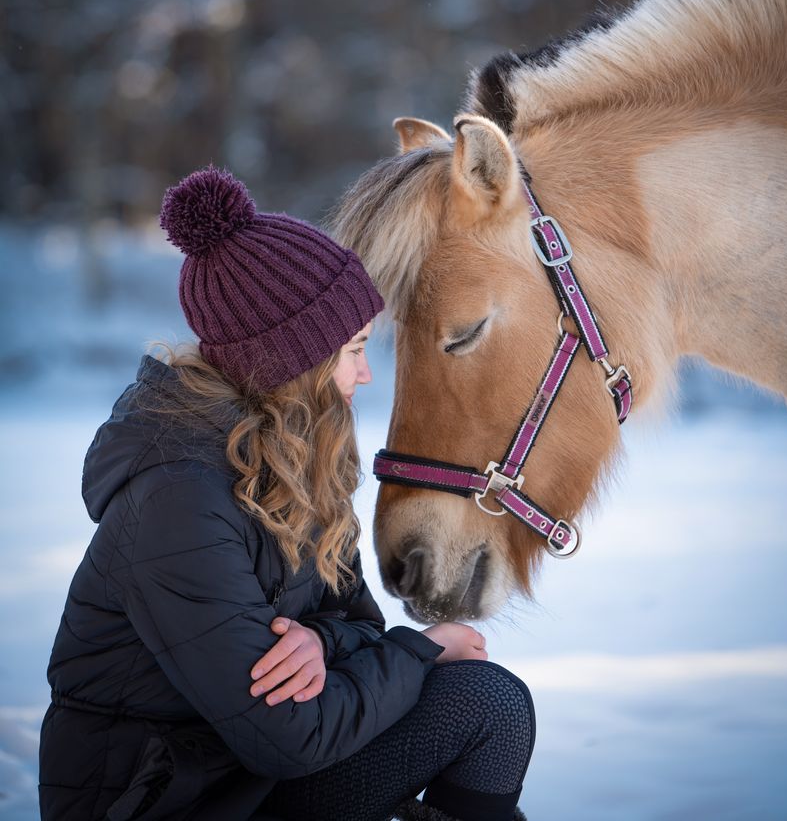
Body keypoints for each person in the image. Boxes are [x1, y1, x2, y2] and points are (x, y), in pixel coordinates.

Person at [38, 166, 534, 821]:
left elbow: (357, 624)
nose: (363, 373)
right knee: (461, 685)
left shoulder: (298, 461)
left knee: (490, 702)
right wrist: (423, 649)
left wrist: (321, 646)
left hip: (249, 773)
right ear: (291, 363)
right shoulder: (176, 500)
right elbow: (290, 737)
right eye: (352, 350)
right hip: (170, 798)